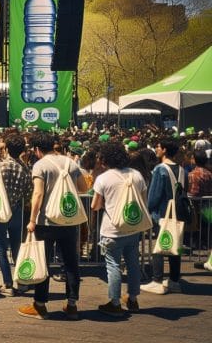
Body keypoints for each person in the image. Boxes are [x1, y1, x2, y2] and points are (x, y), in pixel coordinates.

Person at [17, 132, 88, 321]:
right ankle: (72, 305)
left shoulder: (40, 165)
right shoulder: (70, 163)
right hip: (69, 220)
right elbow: (83, 188)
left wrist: (32, 220)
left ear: (37, 149)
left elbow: (38, 194)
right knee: (71, 263)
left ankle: (40, 305)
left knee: (43, 263)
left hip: (46, 221)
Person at [91, 142, 147, 316]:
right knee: (133, 264)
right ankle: (133, 299)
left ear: (105, 159)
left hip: (112, 229)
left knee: (113, 265)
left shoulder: (104, 178)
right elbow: (143, 202)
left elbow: (95, 205)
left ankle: (115, 303)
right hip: (133, 228)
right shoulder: (136, 175)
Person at [0, 134, 33, 297]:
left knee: (1, 248)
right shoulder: (25, 169)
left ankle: (7, 283)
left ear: (6, 149)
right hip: (16, 210)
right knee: (17, 247)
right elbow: (28, 192)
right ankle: (22, 282)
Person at [142, 138, 186, 295]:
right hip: (178, 213)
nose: (156, 149)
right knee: (175, 246)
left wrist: (148, 209)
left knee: (158, 247)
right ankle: (174, 280)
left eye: (158, 147)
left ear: (165, 150)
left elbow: (153, 196)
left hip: (161, 213)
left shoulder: (160, 169)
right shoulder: (181, 170)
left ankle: (157, 280)